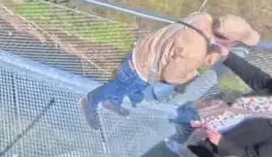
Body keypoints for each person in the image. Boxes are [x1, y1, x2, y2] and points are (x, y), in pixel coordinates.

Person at [79, 13, 260, 130]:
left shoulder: (203, 17)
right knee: (118, 85)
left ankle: (112, 102)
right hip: (143, 68)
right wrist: (196, 70)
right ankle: (90, 101)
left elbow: (185, 42)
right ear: (228, 40)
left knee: (123, 87)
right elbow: (170, 76)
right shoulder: (196, 52)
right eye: (236, 42)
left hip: (145, 50)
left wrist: (209, 50)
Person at [166, 52, 272, 157]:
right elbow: (256, 77)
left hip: (219, 152)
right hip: (215, 127)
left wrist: (222, 143)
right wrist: (228, 56)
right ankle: (182, 151)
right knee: (191, 144)